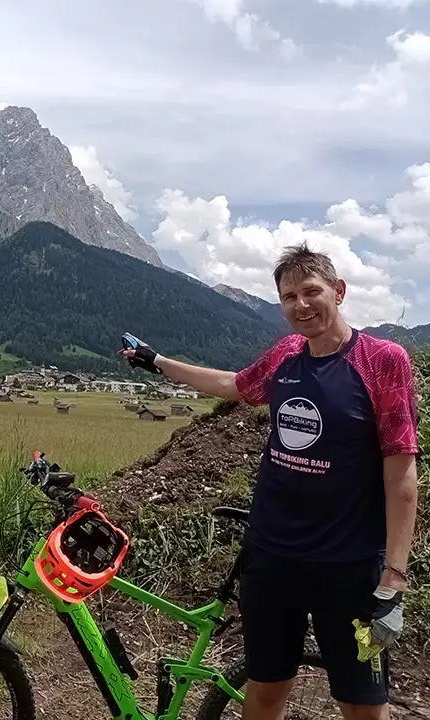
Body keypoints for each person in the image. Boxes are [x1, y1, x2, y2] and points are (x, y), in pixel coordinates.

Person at [120, 242, 419, 720]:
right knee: (265, 687)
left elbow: (401, 472)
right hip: (272, 557)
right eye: (288, 297)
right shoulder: (286, 355)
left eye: (311, 291)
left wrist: (394, 580)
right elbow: (233, 385)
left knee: (363, 704)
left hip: (349, 565)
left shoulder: (383, 360)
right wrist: (156, 361)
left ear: (339, 291)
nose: (301, 305)